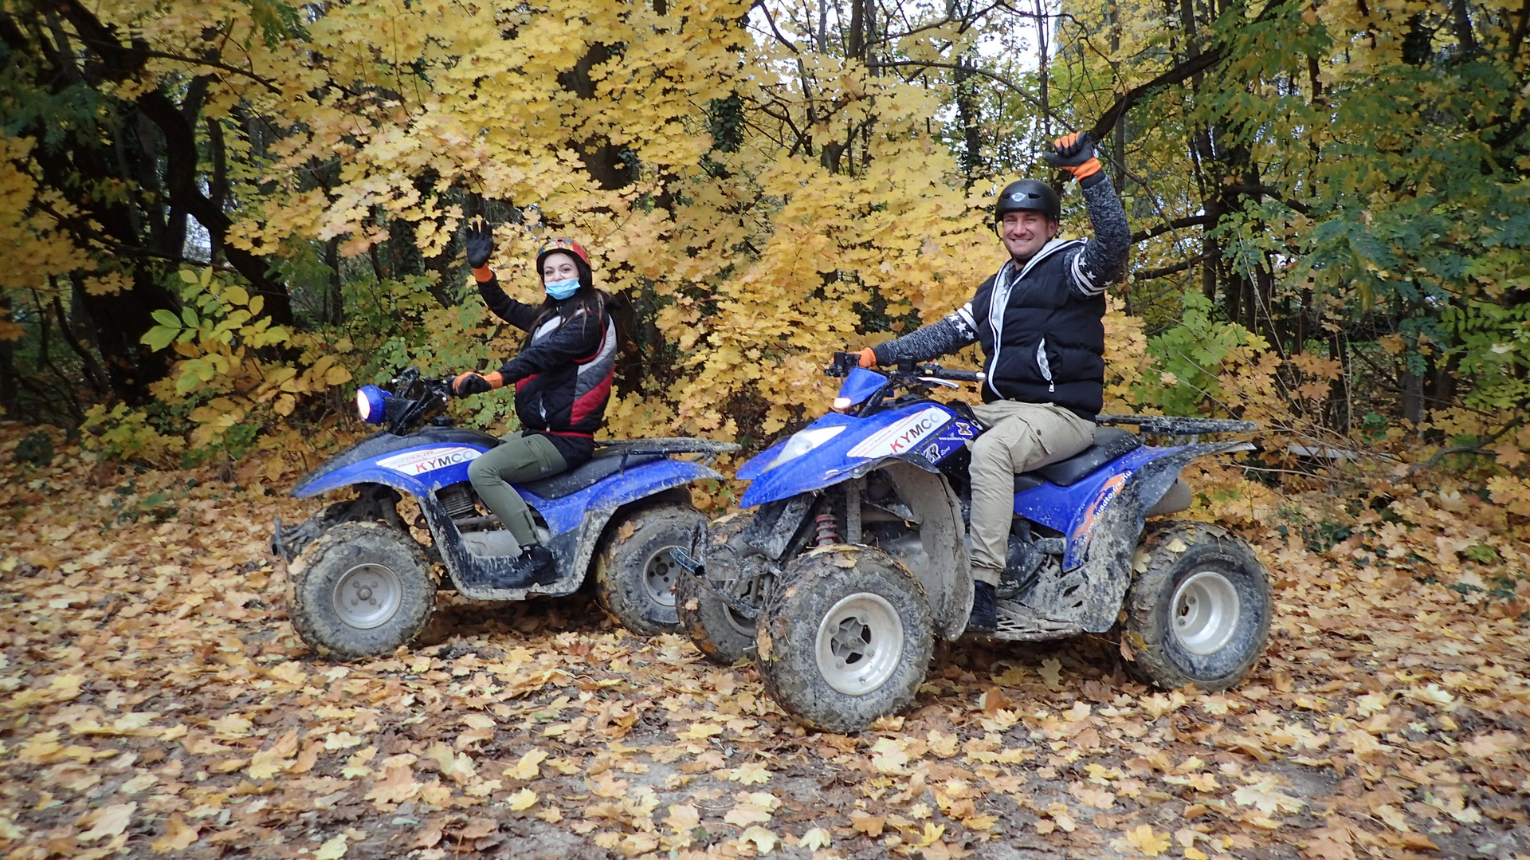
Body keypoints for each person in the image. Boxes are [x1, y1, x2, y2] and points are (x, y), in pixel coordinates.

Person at [854, 132, 1130, 632]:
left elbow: (1113, 247)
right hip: (1005, 407)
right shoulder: (996, 288)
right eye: (1011, 220)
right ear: (1001, 228)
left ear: (1050, 226)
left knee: (992, 453)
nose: (1019, 228)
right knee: (924, 428)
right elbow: (946, 332)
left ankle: (983, 584)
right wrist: (879, 354)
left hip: (1061, 413)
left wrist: (1088, 172)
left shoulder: (1071, 269)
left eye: (1030, 220)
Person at [451, 223, 618, 588]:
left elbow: (541, 357)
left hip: (564, 438)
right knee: (466, 451)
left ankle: (535, 556)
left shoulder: (589, 319)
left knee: (483, 471)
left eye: (565, 269)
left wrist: (489, 380)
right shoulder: (551, 315)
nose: (556, 276)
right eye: (549, 271)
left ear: (582, 273)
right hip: (539, 432)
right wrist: (481, 270)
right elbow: (505, 306)